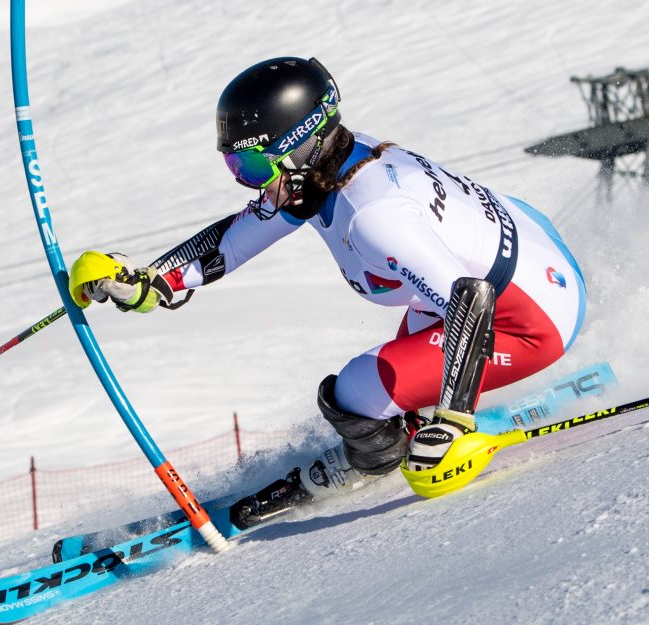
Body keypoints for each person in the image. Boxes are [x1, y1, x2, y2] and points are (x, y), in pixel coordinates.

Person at [68, 57, 586, 522]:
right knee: (388, 379)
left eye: (249, 166)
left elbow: (470, 299)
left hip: (528, 318)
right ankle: (402, 421)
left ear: (299, 148)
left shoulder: (373, 216)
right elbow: (236, 238)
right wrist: (149, 281)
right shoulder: (331, 166)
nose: (245, 182)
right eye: (237, 166)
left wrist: (454, 423)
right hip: (528, 253)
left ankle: (379, 455)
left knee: (355, 392)